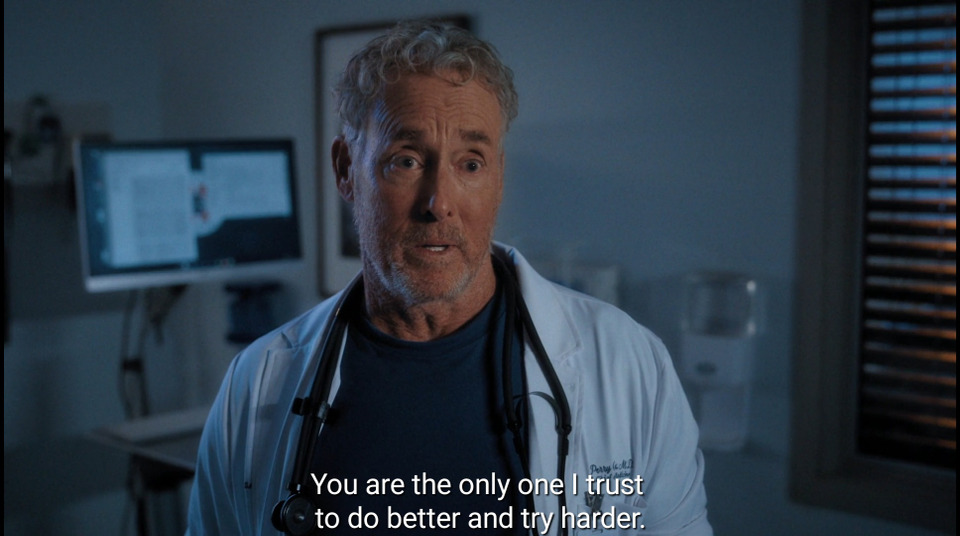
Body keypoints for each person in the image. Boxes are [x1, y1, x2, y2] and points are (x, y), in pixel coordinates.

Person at [187, 20, 711, 536]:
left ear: (499, 178)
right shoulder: (255, 383)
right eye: (406, 160)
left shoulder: (629, 364)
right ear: (346, 169)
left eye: (471, 164)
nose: (439, 203)